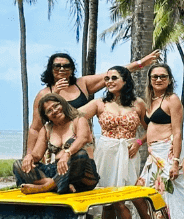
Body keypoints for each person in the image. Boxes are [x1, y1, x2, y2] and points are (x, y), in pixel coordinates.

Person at [29, 50, 159, 153]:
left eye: (66, 66)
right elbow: (35, 128)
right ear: (50, 69)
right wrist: (29, 154)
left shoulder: (82, 83)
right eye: (57, 66)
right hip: (57, 145)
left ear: (72, 69)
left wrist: (141, 63)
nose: (62, 69)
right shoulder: (44, 94)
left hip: (83, 142)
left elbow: (116, 74)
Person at [136, 63, 184, 219]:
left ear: (169, 79)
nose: (159, 79)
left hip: (169, 152)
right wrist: (139, 142)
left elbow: (177, 131)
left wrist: (176, 160)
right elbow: (151, 127)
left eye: (163, 76)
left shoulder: (172, 100)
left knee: (176, 201)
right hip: (153, 155)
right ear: (150, 79)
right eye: (155, 76)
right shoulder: (149, 101)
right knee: (141, 193)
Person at [86, 66, 147, 219]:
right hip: (106, 152)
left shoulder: (138, 103)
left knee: (122, 200)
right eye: (107, 79)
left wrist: (139, 142)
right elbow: (77, 114)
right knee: (107, 202)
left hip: (129, 152)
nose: (109, 82)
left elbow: (151, 128)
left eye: (114, 78)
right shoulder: (100, 103)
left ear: (125, 81)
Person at [14, 93, 99, 194]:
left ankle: (46, 186)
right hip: (58, 170)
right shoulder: (47, 129)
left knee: (80, 154)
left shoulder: (79, 120)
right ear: (46, 116)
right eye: (49, 110)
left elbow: (82, 138)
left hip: (82, 173)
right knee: (18, 165)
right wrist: (29, 156)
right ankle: (58, 185)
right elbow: (37, 155)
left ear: (63, 104)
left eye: (56, 105)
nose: (54, 111)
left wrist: (67, 154)